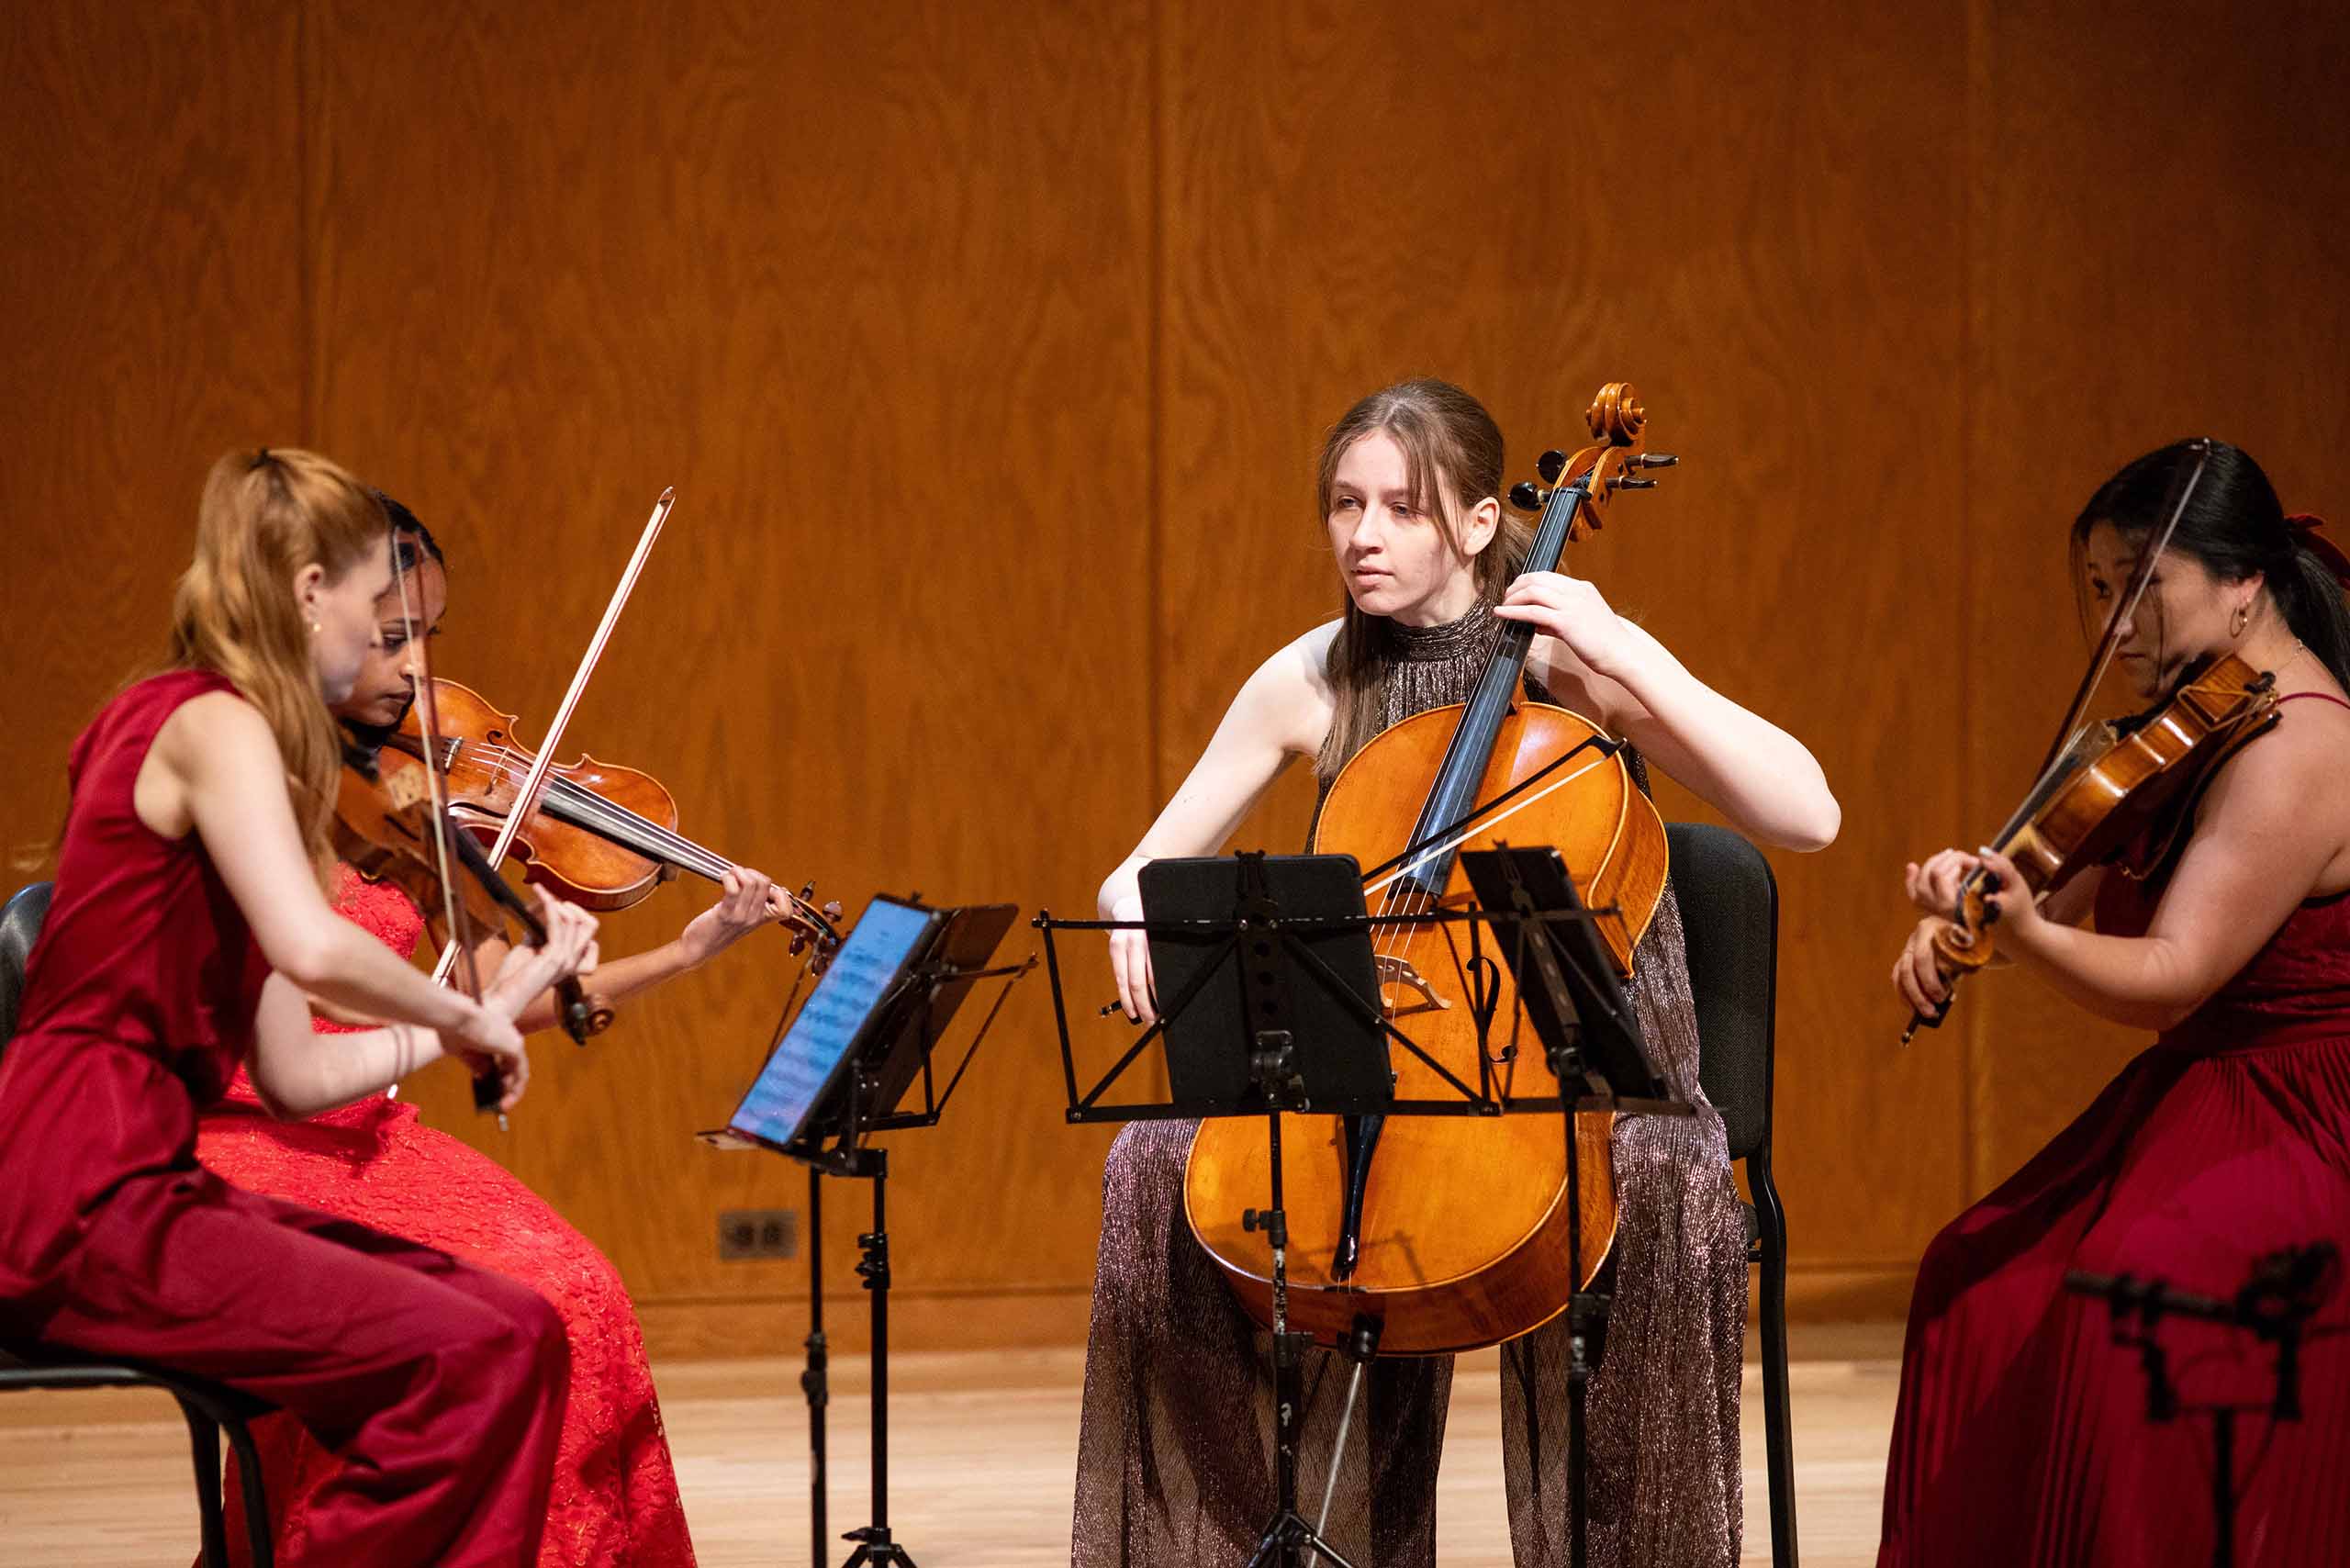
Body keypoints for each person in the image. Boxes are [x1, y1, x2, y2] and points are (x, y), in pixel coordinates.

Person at [1072, 378, 1840, 1567]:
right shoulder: (1317, 675)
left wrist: (1626, 646)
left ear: (1482, 524)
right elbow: (1146, 860)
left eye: (1402, 508)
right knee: (1156, 1164)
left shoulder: (1567, 668)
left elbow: (1808, 812)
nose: (1363, 536)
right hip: (1389, 1067)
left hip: (1587, 1086)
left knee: (1660, 1181)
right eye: (1344, 503)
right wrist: (1131, 898)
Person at [0, 448, 599, 1567]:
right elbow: (313, 943)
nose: (405, 660)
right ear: (310, 591)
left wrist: (476, 1015)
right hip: (71, 1190)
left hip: (141, 1178)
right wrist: (464, 1013)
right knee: (463, 1360)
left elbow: (295, 1073)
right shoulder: (202, 719)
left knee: (517, 1330)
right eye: (385, 620)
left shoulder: (253, 762)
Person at [199, 496, 793, 1568]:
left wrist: (689, 949)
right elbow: (309, 1027)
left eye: (424, 638)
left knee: (583, 1290)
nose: (416, 676)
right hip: (251, 1140)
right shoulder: (241, 766)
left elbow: (496, 996)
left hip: (364, 1130)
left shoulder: (395, 811)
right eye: (391, 639)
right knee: (498, 1312)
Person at [1882, 441, 2350, 1565]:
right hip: (2202, 1091)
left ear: (2244, 581)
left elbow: (2173, 976)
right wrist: (1974, 895)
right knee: (1969, 1274)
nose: (2115, 624)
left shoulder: (2302, 744)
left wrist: (2028, 935)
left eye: (2144, 585)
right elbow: (2057, 866)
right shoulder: (2188, 730)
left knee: (2116, 1306)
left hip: (2306, 1111)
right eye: (2099, 591)